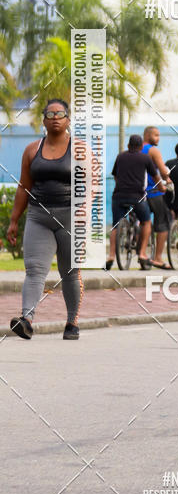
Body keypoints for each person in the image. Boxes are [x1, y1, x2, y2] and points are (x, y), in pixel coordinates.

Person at [7, 99, 83, 340]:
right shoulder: (31, 150)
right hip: (39, 216)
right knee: (34, 270)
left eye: (60, 113)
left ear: (68, 119)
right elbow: (23, 186)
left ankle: (72, 322)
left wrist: (84, 213)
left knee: (69, 271)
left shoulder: (80, 150)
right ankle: (27, 319)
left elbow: (90, 186)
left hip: (70, 216)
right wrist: (13, 220)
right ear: (43, 120)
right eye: (50, 114)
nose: (55, 118)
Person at [105, 134, 159, 270]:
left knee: (116, 225)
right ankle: (141, 253)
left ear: (128, 146)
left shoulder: (120, 156)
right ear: (141, 147)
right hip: (137, 197)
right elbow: (155, 175)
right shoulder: (145, 157)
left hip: (118, 196)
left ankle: (111, 256)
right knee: (146, 222)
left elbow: (116, 175)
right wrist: (162, 187)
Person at [142, 126, 172, 269]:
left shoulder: (134, 150)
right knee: (163, 222)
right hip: (153, 192)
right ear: (147, 135)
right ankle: (158, 258)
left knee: (143, 222)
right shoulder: (153, 150)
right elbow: (162, 171)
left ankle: (141, 254)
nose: (158, 138)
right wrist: (169, 181)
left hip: (138, 193)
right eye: (156, 135)